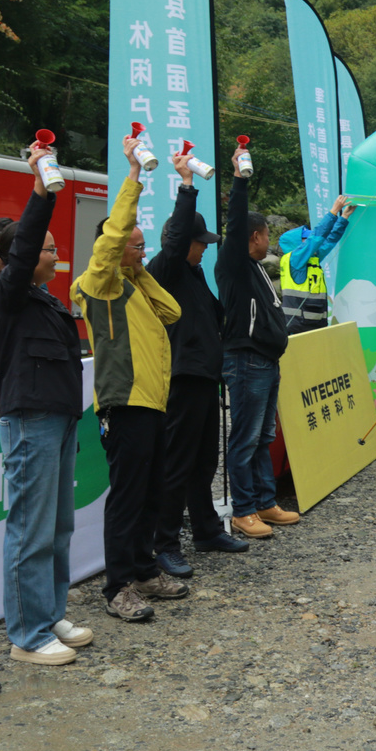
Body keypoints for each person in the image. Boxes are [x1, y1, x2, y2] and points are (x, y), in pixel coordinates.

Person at [0, 140, 90, 665]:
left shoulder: (44, 301)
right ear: (11, 261)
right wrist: (41, 192)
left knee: (58, 526)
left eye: (53, 248)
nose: (53, 253)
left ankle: (49, 613)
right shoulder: (7, 296)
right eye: (46, 248)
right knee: (30, 528)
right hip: (32, 421)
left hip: (61, 420)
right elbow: (23, 249)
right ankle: (27, 634)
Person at [72, 135, 188, 623]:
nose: (141, 250)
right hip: (124, 403)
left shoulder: (133, 285)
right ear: (115, 247)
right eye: (134, 245)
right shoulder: (97, 284)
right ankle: (117, 585)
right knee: (126, 497)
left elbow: (172, 310)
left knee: (150, 493)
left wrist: (139, 270)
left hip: (152, 402)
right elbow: (112, 238)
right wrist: (134, 177)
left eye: (142, 245)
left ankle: (143, 570)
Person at [145, 151, 245, 576]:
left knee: (204, 461)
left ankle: (206, 529)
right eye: (200, 242)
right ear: (182, 240)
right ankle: (165, 543)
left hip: (204, 379)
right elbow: (176, 241)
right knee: (176, 463)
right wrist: (187, 186)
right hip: (181, 380)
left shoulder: (195, 274)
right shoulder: (165, 268)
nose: (204, 249)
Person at [216, 145, 300, 538]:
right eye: (268, 235)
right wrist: (239, 180)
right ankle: (243, 509)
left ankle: (265, 502)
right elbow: (234, 225)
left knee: (264, 435)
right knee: (246, 437)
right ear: (254, 236)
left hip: (265, 361)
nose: (271, 241)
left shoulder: (254, 268)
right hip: (246, 361)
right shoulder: (233, 263)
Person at [278, 196, 354, 334]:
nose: (311, 239)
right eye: (306, 238)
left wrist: (344, 217)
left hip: (314, 325)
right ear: (298, 244)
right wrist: (333, 211)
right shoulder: (295, 259)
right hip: (298, 327)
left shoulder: (311, 259)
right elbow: (317, 237)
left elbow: (330, 240)